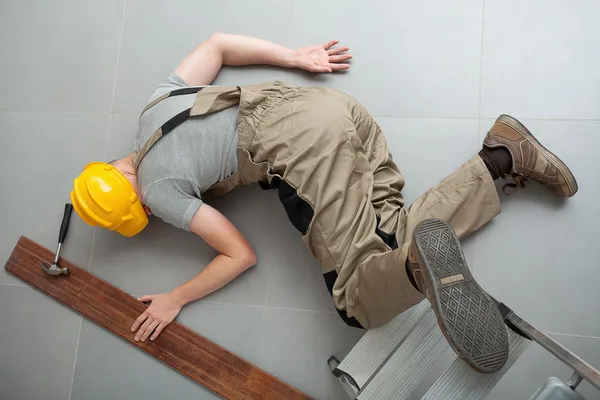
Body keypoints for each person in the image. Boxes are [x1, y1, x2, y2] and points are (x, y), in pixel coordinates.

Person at [70, 33, 577, 373]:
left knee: (357, 301)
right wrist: (297, 58)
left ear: (139, 209)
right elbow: (217, 44)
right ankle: (503, 157)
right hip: (335, 111)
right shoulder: (155, 105)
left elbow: (239, 255)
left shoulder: (161, 194)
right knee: (389, 235)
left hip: (308, 151)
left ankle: (420, 267)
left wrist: (176, 297)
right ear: (115, 168)